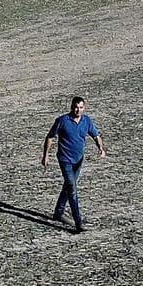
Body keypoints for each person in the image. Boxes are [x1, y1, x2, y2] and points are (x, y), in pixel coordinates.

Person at [41, 96, 106, 233]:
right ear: (71, 107)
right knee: (72, 189)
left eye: (81, 107)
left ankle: (58, 213)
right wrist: (45, 156)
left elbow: (96, 136)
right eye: (76, 107)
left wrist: (100, 148)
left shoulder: (86, 121)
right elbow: (50, 137)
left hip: (78, 160)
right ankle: (78, 222)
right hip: (65, 160)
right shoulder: (62, 121)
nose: (78, 110)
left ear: (84, 108)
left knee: (68, 185)